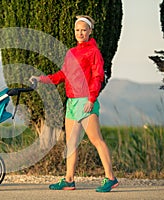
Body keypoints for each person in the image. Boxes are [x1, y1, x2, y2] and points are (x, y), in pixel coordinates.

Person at [29, 15, 118, 192]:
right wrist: (41, 79)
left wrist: (92, 99)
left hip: (86, 101)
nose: (80, 33)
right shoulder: (71, 52)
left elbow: (98, 77)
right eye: (77, 30)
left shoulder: (93, 52)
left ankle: (111, 178)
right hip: (72, 103)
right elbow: (62, 75)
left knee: (96, 140)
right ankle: (69, 180)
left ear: (90, 31)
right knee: (71, 143)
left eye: (84, 30)